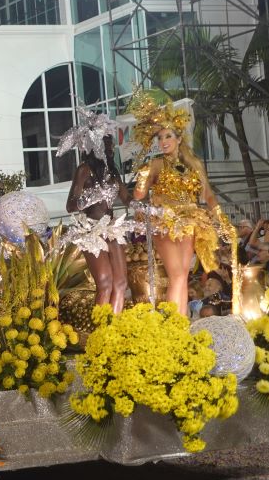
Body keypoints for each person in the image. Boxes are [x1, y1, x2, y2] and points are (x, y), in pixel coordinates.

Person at [130, 90, 233, 311]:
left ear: (178, 138)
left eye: (168, 136)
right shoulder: (155, 164)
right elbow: (138, 196)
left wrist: (221, 217)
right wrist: (143, 177)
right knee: (176, 274)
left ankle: (181, 321)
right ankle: (173, 322)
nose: (163, 141)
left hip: (189, 220)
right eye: (160, 138)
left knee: (183, 275)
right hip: (165, 221)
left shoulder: (193, 164)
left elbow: (208, 194)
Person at [61, 108, 131, 313]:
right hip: (90, 230)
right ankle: (100, 328)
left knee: (121, 283)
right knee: (105, 283)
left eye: (110, 142)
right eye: (105, 142)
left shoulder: (113, 172)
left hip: (111, 229)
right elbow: (70, 205)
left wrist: (144, 203)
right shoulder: (84, 169)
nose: (109, 147)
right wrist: (91, 197)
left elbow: (126, 198)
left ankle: (114, 326)